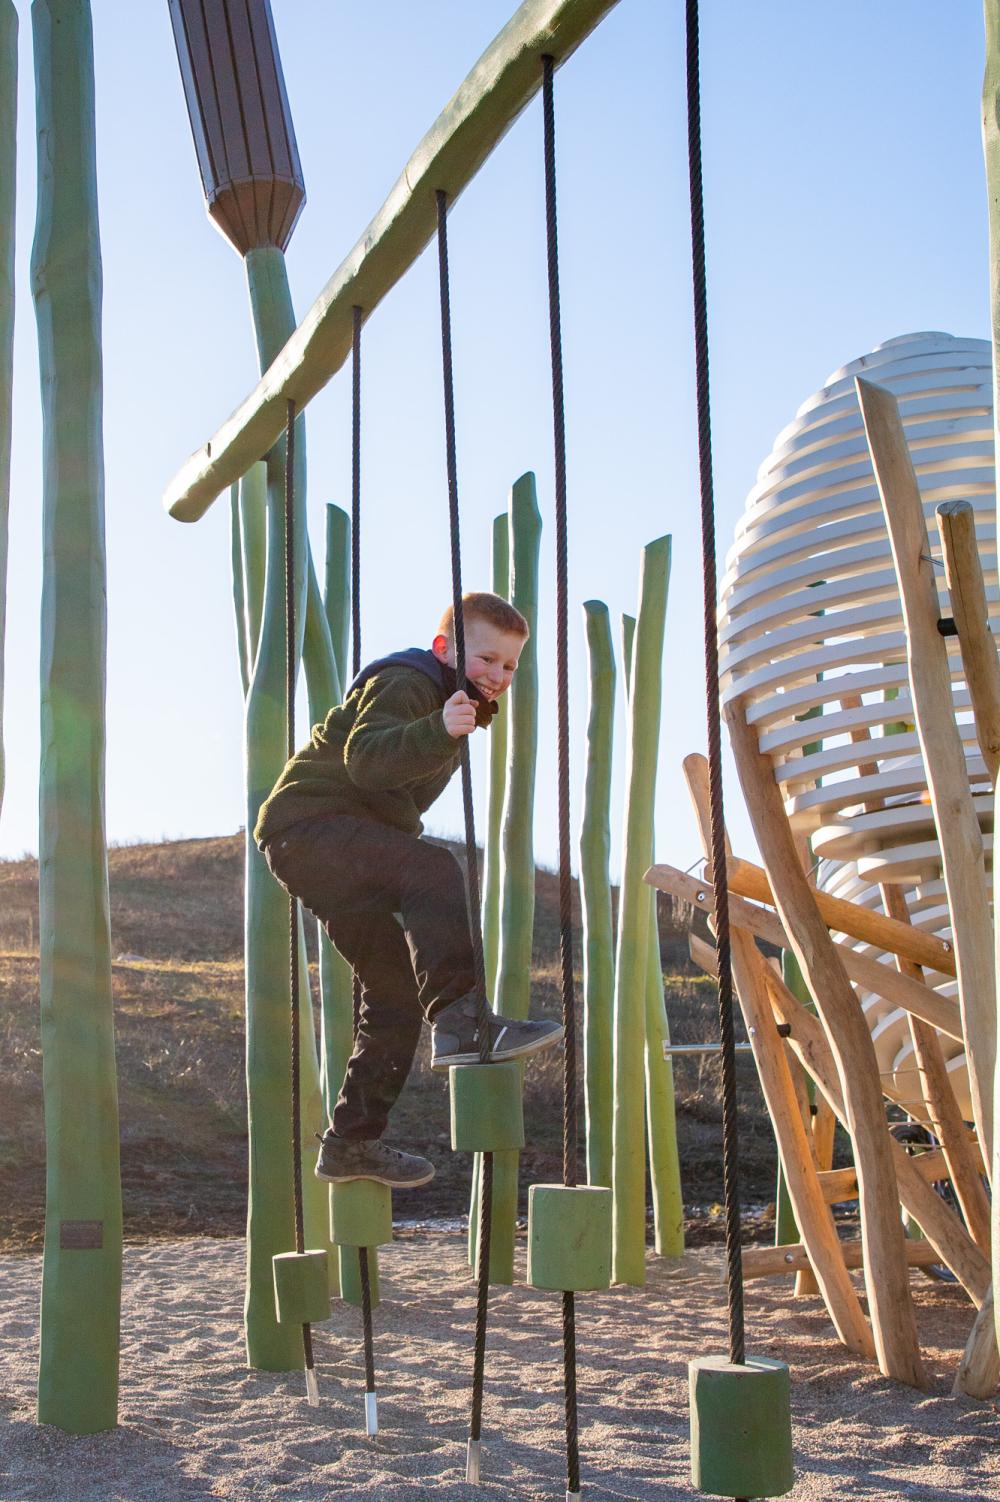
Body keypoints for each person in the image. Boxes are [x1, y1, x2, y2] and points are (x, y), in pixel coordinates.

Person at [255, 591, 563, 1190]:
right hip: (310, 828)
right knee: (434, 869)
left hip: (325, 849)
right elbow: (366, 762)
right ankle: (464, 1020)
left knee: (393, 993)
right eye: (486, 659)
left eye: (509, 666)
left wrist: (444, 729)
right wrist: (437, 729)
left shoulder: (453, 705)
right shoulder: (409, 681)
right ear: (446, 650)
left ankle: (351, 1143)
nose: (497, 675)